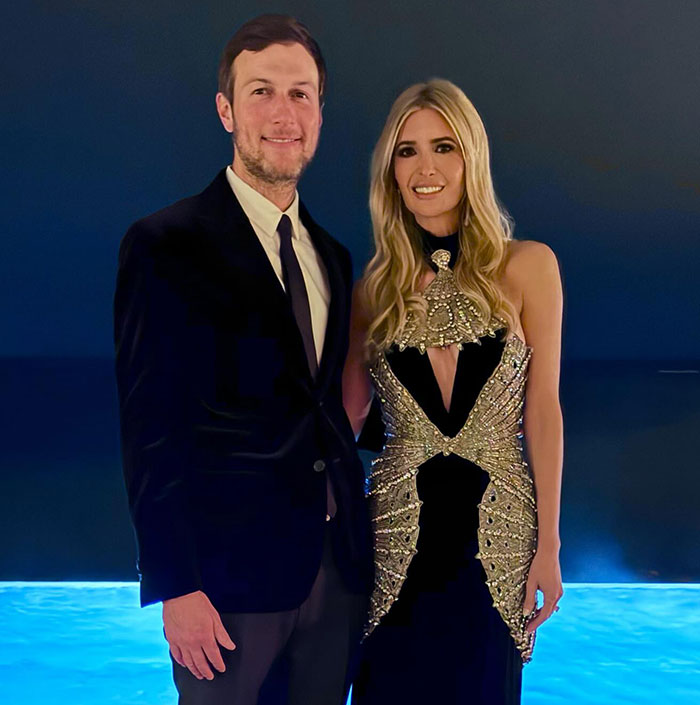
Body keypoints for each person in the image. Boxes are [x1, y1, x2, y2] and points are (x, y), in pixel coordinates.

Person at [114, 14, 373, 705]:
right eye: (261, 92)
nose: (282, 113)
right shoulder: (164, 245)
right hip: (225, 588)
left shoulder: (334, 257)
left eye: (300, 94)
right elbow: (149, 425)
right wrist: (174, 583)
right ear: (226, 108)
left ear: (320, 112)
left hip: (336, 577)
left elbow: (324, 410)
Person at [343, 79, 564, 704]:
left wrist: (549, 544)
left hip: (497, 533)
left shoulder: (529, 266)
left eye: (444, 146)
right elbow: (341, 422)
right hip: (393, 538)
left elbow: (542, 410)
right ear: (391, 170)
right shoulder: (372, 291)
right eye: (406, 151)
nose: (425, 167)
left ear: (472, 156)